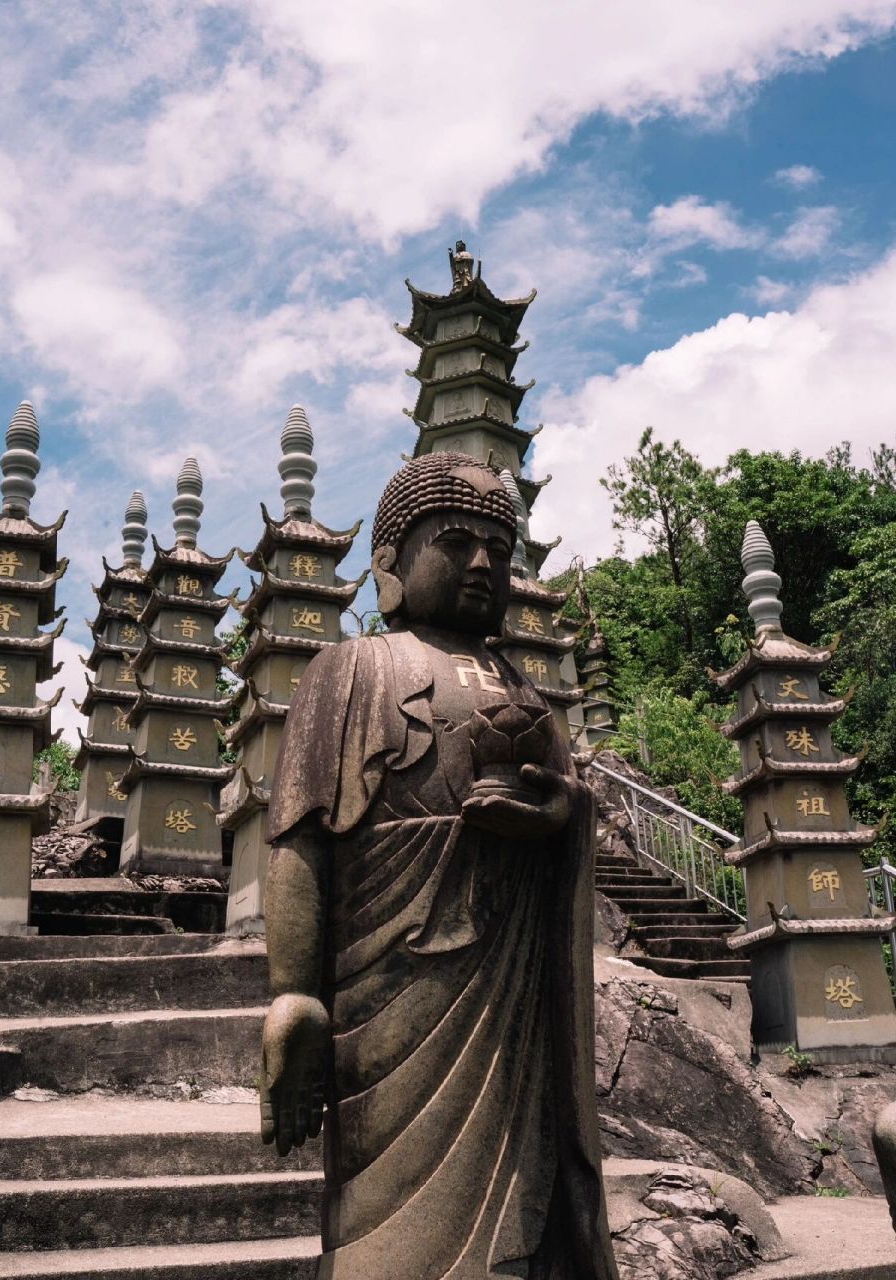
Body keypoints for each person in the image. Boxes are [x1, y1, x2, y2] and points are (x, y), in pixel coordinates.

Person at [260, 452, 617, 1279]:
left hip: (513, 996)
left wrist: (564, 818)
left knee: (528, 1205)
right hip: (389, 992)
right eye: (457, 542)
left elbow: (571, 810)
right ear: (389, 563)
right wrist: (291, 991)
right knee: (383, 1224)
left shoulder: (532, 694)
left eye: (501, 547)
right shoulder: (349, 672)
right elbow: (301, 836)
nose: (485, 564)